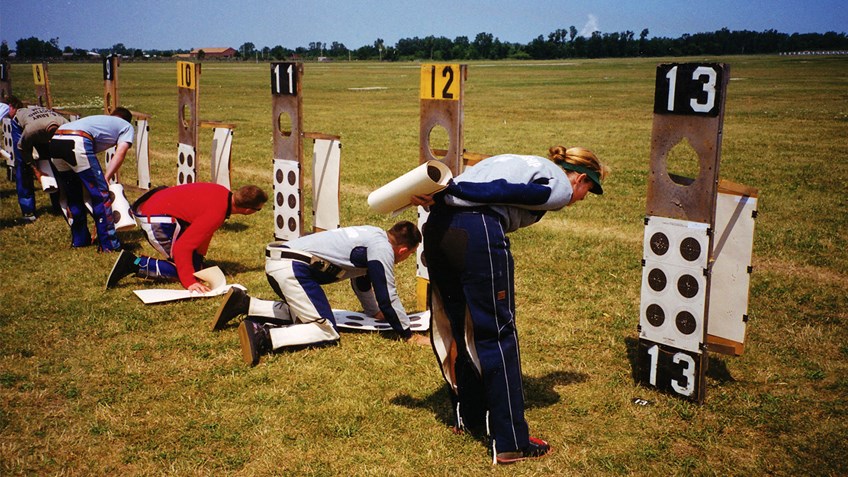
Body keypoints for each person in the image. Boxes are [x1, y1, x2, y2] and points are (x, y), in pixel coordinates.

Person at [420, 146, 609, 464]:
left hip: (439, 229)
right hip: (475, 231)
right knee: (497, 334)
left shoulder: (516, 159)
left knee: (462, 328)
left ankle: (470, 419)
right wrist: (454, 189)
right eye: (590, 189)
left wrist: (441, 194)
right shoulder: (560, 185)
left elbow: (488, 185)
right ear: (580, 178)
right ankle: (511, 443)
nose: (583, 197)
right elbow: (511, 191)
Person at [211, 220, 430, 366]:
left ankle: (245, 304)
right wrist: (409, 334)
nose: (405, 258)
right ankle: (263, 336)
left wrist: (373, 312)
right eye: (409, 255)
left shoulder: (373, 234)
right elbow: (387, 295)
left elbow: (362, 281)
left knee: (304, 314)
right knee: (325, 329)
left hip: (281, 261)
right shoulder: (382, 249)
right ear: (403, 250)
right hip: (292, 268)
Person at [106, 183, 268, 292]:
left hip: (157, 207)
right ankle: (133, 263)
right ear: (248, 210)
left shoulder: (222, 193)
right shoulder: (216, 213)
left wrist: (198, 258)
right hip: (155, 219)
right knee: (181, 270)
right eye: (258, 210)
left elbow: (203, 232)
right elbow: (182, 248)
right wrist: (190, 282)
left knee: (194, 267)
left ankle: (189, 267)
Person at [48, 107, 135, 251]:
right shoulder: (126, 126)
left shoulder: (101, 120)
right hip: (78, 140)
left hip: (56, 140)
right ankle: (110, 245)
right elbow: (120, 153)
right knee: (101, 195)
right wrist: (106, 177)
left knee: (73, 195)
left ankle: (80, 240)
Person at [8, 97, 68, 221]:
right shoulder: (31, 130)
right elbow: (22, 150)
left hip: (42, 126)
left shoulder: (65, 124)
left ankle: (58, 205)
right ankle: (28, 210)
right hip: (21, 126)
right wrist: (36, 170)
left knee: (53, 163)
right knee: (23, 166)